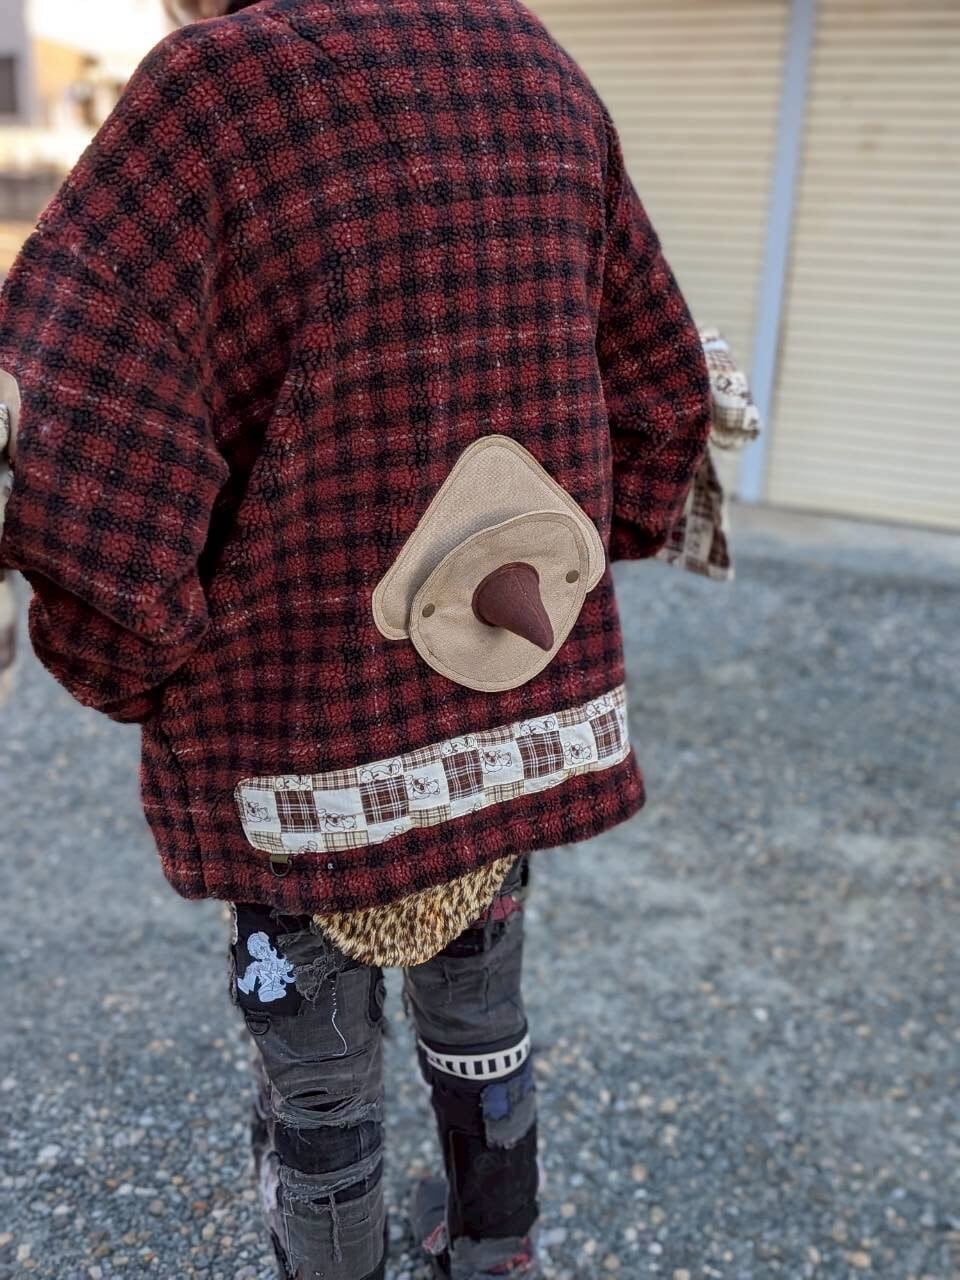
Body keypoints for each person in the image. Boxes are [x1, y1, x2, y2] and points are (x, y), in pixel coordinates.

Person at [0, 0, 712, 1276]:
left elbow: (86, 447)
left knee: (319, 1084)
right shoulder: (536, 64)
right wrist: (589, 549)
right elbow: (662, 387)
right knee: (482, 1012)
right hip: (508, 718)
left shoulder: (216, 93)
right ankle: (497, 1251)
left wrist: (137, 658)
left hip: (296, 741)